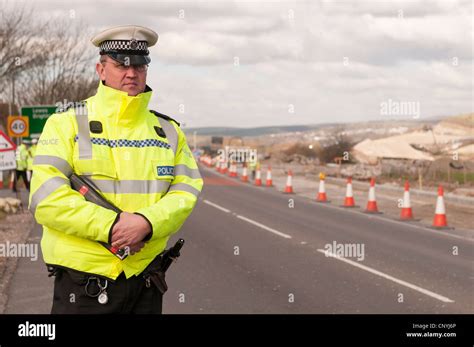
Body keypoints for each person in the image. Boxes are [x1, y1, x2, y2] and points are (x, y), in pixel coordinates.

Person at [28, 25, 203, 314]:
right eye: (120, 63)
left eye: (139, 64)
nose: (131, 72)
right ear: (100, 68)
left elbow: (185, 191)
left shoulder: (169, 131)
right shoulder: (65, 124)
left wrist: (147, 223)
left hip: (145, 279)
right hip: (83, 283)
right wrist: (112, 228)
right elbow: (46, 200)